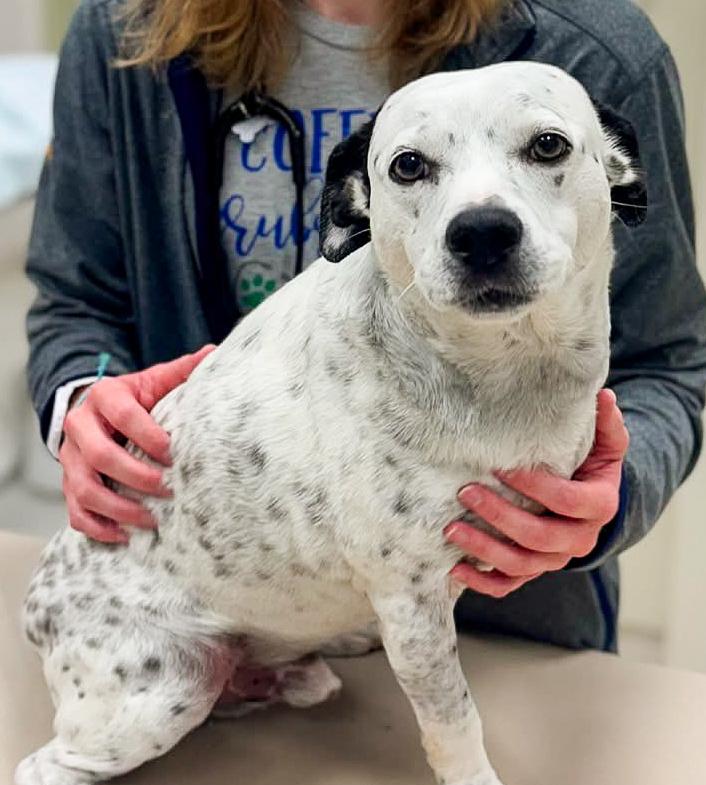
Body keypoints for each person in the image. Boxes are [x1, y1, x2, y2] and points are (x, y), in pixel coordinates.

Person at [26, 0, 706, 652]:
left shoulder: (597, 50)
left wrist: (610, 498)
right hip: (218, 610)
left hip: (500, 623)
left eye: (546, 149)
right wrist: (84, 401)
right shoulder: (126, 34)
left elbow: (669, 359)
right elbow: (77, 299)